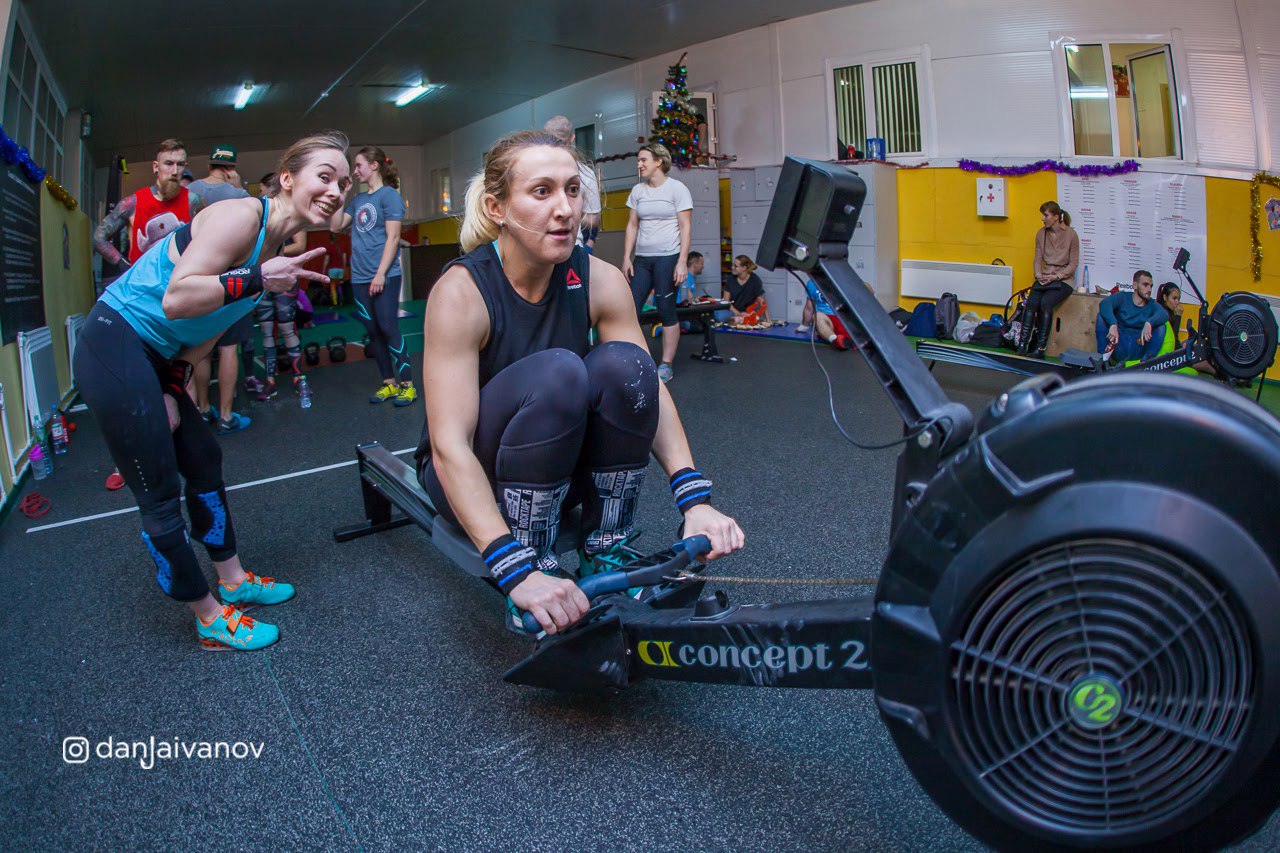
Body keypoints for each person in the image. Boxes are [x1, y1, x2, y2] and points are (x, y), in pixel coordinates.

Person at [415, 129, 743, 636]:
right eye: (541, 191)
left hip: (555, 463)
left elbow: (645, 391)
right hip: (468, 474)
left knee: (629, 365)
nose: (565, 208)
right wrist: (514, 571)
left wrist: (693, 499)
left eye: (572, 189)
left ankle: (605, 548)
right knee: (561, 370)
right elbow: (448, 447)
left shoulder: (600, 278)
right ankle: (536, 561)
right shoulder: (461, 292)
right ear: (497, 207)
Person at [72, 130, 345, 651]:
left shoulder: (277, 249)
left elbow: (202, 336)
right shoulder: (242, 216)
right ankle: (206, 616)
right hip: (115, 340)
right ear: (287, 179)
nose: (336, 190)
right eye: (324, 176)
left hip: (157, 357)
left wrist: (173, 387)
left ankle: (235, 580)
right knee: (157, 490)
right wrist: (259, 278)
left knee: (202, 454)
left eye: (345, 182)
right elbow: (178, 299)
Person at [93, 138, 204, 490]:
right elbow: (99, 236)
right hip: (140, 304)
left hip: (179, 299)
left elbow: (208, 239)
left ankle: (181, 445)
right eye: (169, 164)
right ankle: (126, 458)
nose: (175, 170)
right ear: (156, 167)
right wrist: (124, 265)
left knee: (177, 371)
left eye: (180, 164)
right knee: (134, 378)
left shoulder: (194, 201)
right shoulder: (134, 201)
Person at [329, 145, 415, 407]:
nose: (355, 171)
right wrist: (341, 194)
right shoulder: (357, 202)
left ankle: (408, 386)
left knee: (389, 328)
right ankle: (389, 384)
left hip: (384, 277)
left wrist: (380, 274)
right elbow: (334, 225)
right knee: (373, 332)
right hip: (358, 278)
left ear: (374, 166)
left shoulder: (389, 196)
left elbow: (393, 237)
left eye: (358, 165)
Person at [187, 144, 254, 433]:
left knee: (202, 349)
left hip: (200, 277)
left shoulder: (192, 192)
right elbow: (255, 230)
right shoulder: (239, 195)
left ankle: (202, 409)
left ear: (210, 163)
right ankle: (226, 416)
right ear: (231, 167)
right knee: (229, 348)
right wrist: (241, 188)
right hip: (232, 278)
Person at [623, 142, 692, 383]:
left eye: (643, 160)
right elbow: (632, 225)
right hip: (642, 259)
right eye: (639, 160)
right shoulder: (638, 191)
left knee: (665, 309)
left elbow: (685, 226)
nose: (639, 164)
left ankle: (666, 364)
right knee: (629, 308)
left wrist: (682, 261)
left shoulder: (677, 189)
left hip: (668, 257)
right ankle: (635, 358)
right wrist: (626, 258)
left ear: (658, 162)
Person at [1019, 200, 1080, 357]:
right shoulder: (1041, 233)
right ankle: (1022, 345)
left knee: (1046, 303)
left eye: (1045, 215)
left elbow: (1073, 264)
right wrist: (1038, 274)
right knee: (1031, 303)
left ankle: (1040, 348)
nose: (1042, 219)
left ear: (1056, 217)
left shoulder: (1071, 235)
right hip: (1045, 277)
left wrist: (1057, 276)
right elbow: (1037, 258)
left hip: (1062, 280)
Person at [542, 115, 602, 250]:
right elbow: (593, 219)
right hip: (571, 247)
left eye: (573, 190)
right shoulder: (585, 172)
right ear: (572, 138)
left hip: (542, 247)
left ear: (543, 137)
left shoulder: (532, 169)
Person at [1095, 270, 1168, 362]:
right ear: (1135, 285)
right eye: (1145, 285)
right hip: (1119, 344)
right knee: (1101, 318)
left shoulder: (1152, 304)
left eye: (1151, 286)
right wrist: (1113, 323)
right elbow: (1104, 304)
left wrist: (1149, 323)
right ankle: (1103, 362)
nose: (1149, 290)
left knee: (1161, 327)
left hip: (1138, 345)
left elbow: (1164, 314)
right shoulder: (1122, 297)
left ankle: (1146, 363)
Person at [1153, 281, 1208, 374]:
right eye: (1174, 298)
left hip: (1173, 350)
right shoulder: (1162, 314)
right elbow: (1172, 341)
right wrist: (1178, 316)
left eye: (1179, 299)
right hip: (1166, 357)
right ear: (1165, 297)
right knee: (1197, 357)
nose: (1177, 302)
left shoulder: (1169, 312)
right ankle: (1219, 373)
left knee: (1194, 348)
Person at [797, 279, 852, 350]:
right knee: (817, 316)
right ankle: (835, 340)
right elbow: (809, 308)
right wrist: (804, 326)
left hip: (845, 320)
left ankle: (845, 340)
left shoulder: (844, 279)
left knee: (866, 285)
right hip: (826, 323)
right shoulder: (812, 283)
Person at [722, 255, 770, 326]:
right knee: (720, 316)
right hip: (732, 311)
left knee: (751, 317)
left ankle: (742, 320)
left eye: (736, 266)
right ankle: (741, 320)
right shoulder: (730, 279)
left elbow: (762, 301)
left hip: (747, 312)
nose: (733, 268)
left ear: (744, 268)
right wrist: (738, 313)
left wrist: (768, 320)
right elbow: (726, 301)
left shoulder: (755, 280)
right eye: (733, 265)